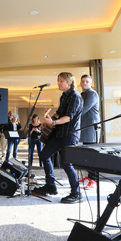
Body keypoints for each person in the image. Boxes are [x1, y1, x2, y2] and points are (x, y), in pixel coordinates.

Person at [38, 72, 83, 204]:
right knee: (44, 155)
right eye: (58, 81)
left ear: (69, 82)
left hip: (69, 134)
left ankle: (76, 193)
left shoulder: (75, 96)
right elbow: (59, 113)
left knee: (66, 163)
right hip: (59, 133)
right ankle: (50, 185)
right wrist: (48, 121)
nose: (58, 83)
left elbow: (68, 117)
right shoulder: (64, 96)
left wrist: (51, 123)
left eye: (61, 81)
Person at [79, 74, 100, 190]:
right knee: (86, 155)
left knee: (92, 155)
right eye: (83, 81)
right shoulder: (83, 94)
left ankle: (94, 180)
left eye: (87, 81)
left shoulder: (92, 94)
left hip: (92, 128)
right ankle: (89, 177)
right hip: (84, 127)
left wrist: (70, 117)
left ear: (90, 83)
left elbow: (84, 109)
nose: (85, 83)